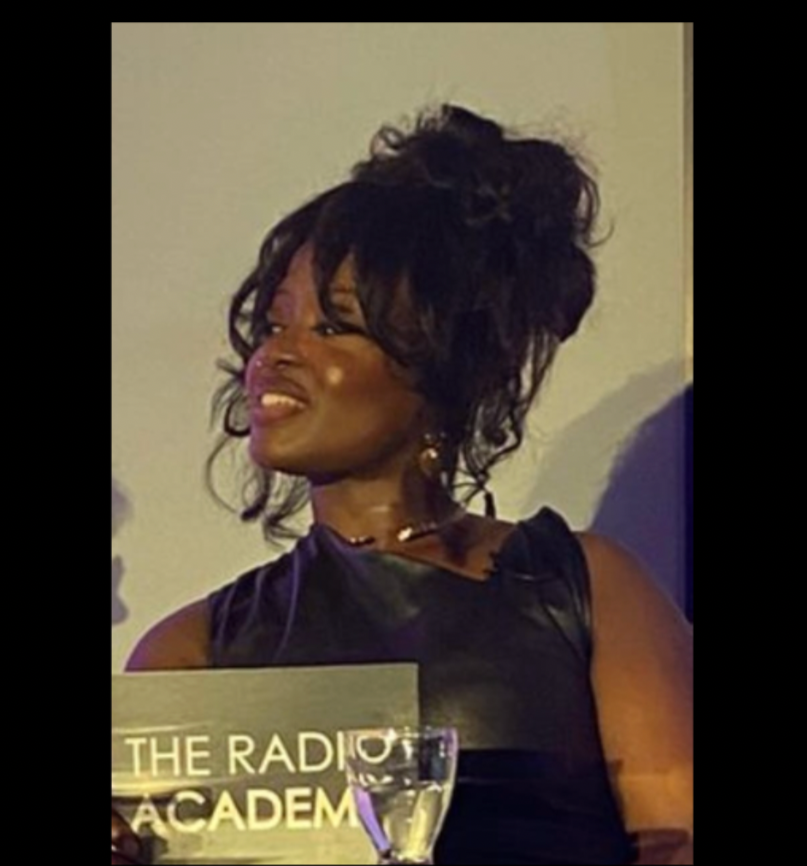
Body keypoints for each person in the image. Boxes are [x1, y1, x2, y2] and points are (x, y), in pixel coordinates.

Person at [112, 105, 693, 865]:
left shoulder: (581, 588)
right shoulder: (193, 653)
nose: (274, 357)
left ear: (442, 368)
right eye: (274, 324)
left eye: (330, 327)